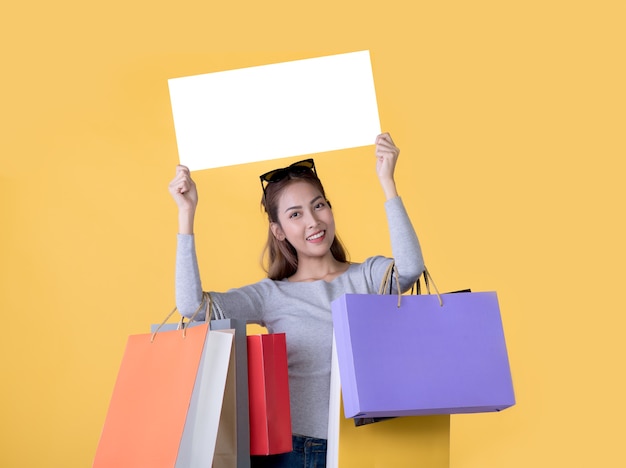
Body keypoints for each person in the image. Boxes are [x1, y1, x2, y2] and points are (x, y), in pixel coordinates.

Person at [168, 132, 424, 468]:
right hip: (298, 453)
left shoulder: (369, 276)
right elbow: (194, 307)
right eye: (295, 214)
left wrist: (387, 182)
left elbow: (411, 268)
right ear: (278, 231)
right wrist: (186, 213)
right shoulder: (272, 295)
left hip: (369, 447)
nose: (313, 221)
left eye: (318, 205)